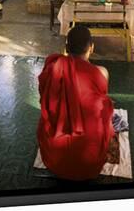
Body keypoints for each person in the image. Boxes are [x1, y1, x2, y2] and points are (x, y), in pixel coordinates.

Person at [37, 25, 115, 180]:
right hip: (90, 162)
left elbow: (45, 100)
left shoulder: (53, 68)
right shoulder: (101, 72)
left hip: (54, 159)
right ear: (91, 48)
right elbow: (101, 106)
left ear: (66, 48)